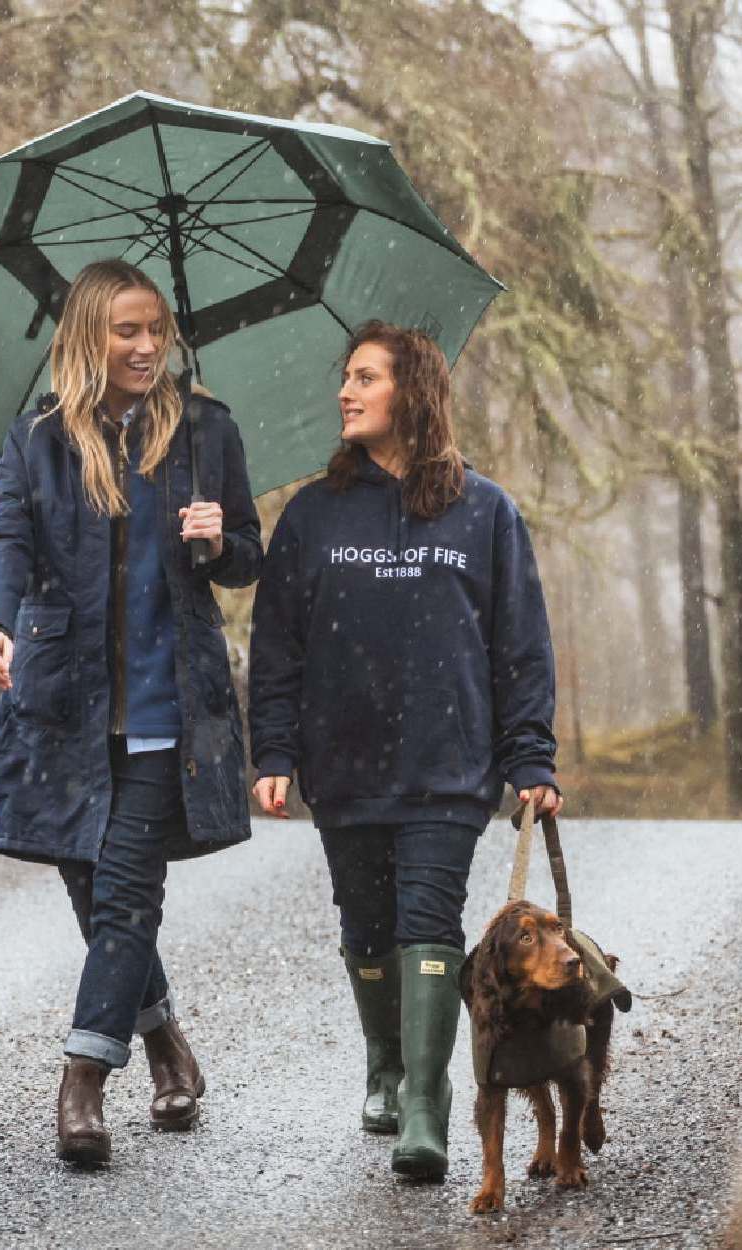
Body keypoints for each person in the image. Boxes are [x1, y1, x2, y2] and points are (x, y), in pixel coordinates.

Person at [0, 259, 261, 1164]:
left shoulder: (206, 430)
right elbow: (4, 540)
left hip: (170, 707)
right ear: (88, 337)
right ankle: (167, 1043)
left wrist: (219, 540)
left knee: (127, 889)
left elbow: (250, 554)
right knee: (93, 886)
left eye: (156, 330)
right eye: (126, 331)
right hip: (63, 706)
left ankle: (84, 1078)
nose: (145, 346)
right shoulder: (38, 440)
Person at [248, 321, 561, 1181]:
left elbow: (521, 646)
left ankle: (426, 1103)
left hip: (448, 764)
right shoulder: (313, 514)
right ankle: (385, 1068)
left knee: (429, 921)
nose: (345, 392)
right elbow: (277, 647)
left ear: (412, 392)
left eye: (365, 378)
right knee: (366, 926)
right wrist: (273, 750)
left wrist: (531, 759)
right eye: (346, 377)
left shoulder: (485, 511)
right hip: (343, 763)